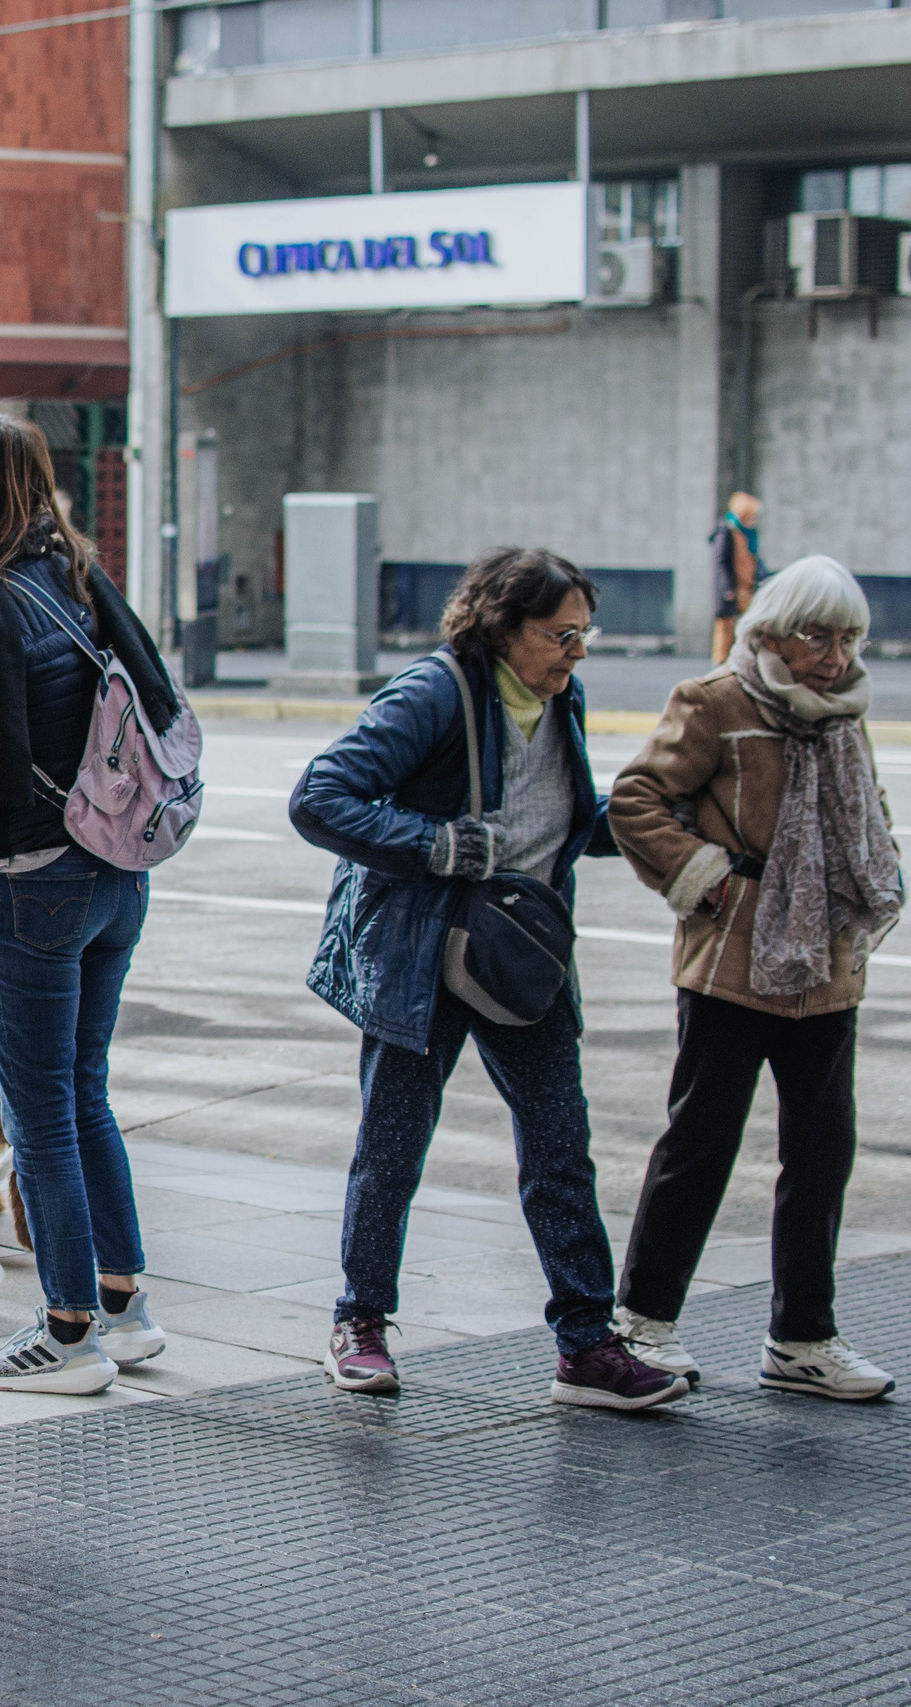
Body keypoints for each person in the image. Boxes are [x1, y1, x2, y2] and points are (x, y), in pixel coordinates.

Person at [290, 547, 686, 1410]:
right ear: (503, 628)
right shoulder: (436, 694)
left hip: (520, 951)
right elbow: (319, 796)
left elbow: (560, 820)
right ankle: (358, 1322)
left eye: (585, 635)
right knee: (393, 1145)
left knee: (558, 1149)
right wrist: (432, 843)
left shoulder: (559, 696)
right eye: (561, 635)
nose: (577, 653)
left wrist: (672, 816)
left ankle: (585, 1345)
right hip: (428, 956)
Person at [0, 412, 179, 1397]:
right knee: (84, 1091)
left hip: (38, 889)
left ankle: (65, 1335)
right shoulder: (72, 576)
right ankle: (122, 1306)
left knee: (39, 1116)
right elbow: (161, 706)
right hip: (116, 876)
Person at [607, 556, 901, 1401]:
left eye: (848, 638)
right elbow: (635, 799)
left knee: (822, 1153)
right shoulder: (716, 701)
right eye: (817, 635)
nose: (834, 656)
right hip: (733, 961)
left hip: (829, 967)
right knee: (700, 1144)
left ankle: (804, 1336)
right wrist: (712, 879)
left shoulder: (845, 712)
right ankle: (643, 1322)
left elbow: (867, 808)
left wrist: (879, 867)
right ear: (772, 631)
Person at [710, 491, 763, 665]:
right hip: (732, 590)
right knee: (725, 630)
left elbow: (753, 561)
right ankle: (720, 664)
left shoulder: (748, 534)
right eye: (751, 516)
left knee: (747, 628)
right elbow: (722, 563)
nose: (754, 520)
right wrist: (727, 589)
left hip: (746, 589)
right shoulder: (726, 531)